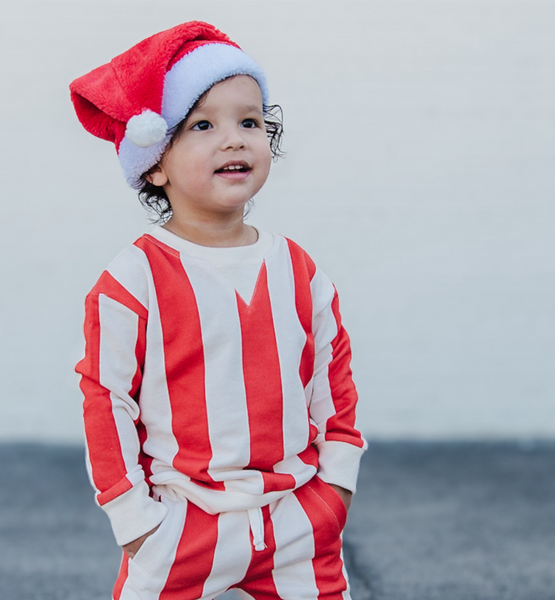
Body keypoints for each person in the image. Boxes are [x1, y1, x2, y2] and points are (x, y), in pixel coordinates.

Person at [71, 21, 366, 600]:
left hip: (296, 517)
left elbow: (333, 378)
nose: (235, 139)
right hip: (180, 522)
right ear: (155, 164)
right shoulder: (133, 280)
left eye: (250, 121)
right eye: (203, 124)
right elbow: (105, 399)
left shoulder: (298, 269)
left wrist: (336, 487)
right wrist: (137, 523)